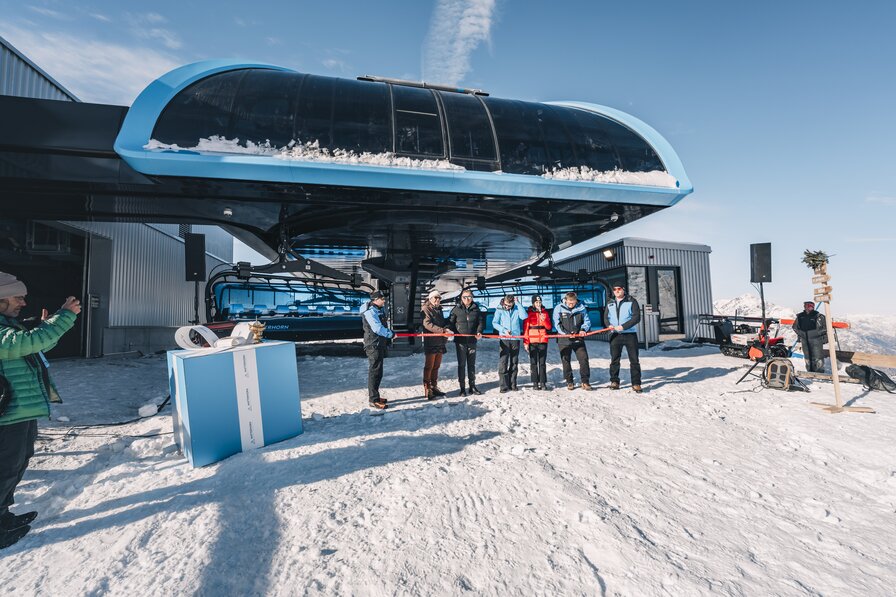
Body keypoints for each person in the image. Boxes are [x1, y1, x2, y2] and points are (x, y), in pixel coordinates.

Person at [0, 272, 80, 550]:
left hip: (18, 411)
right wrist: (63, 317)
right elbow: (27, 343)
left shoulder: (9, 326)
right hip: (6, 415)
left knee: (15, 465)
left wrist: (48, 328)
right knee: (4, 468)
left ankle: (3, 516)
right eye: (17, 297)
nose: (23, 303)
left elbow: (37, 346)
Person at [604, 284, 642, 393]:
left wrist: (623, 327)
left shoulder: (631, 301)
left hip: (630, 334)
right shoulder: (610, 302)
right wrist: (609, 325)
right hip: (615, 335)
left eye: (619, 289)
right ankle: (614, 381)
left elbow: (636, 317)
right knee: (614, 359)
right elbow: (606, 317)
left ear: (623, 290)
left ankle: (636, 383)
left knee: (634, 360)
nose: (617, 291)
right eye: (614, 289)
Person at [360, 290, 394, 409]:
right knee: (375, 372)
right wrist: (390, 334)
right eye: (382, 299)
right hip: (373, 345)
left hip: (378, 344)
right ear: (375, 300)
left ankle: (376, 396)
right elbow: (377, 328)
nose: (384, 301)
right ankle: (373, 400)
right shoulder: (370, 312)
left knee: (378, 372)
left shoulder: (378, 310)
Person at [553, 291, 592, 390]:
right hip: (564, 338)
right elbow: (557, 324)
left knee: (583, 359)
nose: (571, 305)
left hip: (578, 338)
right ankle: (569, 381)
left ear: (576, 301)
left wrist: (583, 329)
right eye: (569, 303)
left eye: (573, 303)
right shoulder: (558, 308)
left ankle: (585, 381)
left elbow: (587, 321)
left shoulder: (581, 308)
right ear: (565, 300)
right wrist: (565, 333)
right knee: (566, 360)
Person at [448, 289, 484, 396]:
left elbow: (480, 322)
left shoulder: (476, 309)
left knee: (471, 364)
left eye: (469, 297)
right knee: (462, 364)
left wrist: (479, 331)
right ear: (461, 298)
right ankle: (462, 388)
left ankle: (472, 386)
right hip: (461, 342)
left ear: (472, 298)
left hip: (472, 341)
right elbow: (450, 323)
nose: (467, 299)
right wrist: (448, 330)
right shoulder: (456, 309)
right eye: (465, 297)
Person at [420, 289, 453, 399]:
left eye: (439, 298)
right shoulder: (426, 309)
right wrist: (442, 331)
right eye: (435, 298)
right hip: (431, 342)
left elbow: (442, 323)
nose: (438, 300)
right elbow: (427, 324)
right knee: (429, 366)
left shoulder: (439, 310)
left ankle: (434, 386)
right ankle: (427, 388)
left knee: (436, 366)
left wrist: (446, 327)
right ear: (430, 299)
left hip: (440, 341)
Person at [492, 293, 527, 392]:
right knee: (503, 361)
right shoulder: (499, 308)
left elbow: (524, 316)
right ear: (504, 301)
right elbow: (494, 323)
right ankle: (503, 385)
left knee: (514, 362)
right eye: (506, 305)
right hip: (504, 338)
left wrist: (518, 304)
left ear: (513, 304)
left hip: (515, 338)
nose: (507, 307)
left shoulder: (516, 308)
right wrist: (503, 330)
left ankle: (513, 384)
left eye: (509, 305)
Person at [523, 295, 552, 390]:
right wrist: (526, 342)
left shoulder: (545, 312)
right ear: (533, 303)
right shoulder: (529, 313)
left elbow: (549, 327)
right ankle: (535, 382)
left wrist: (544, 320)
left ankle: (543, 382)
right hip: (532, 340)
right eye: (536, 302)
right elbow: (526, 328)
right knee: (533, 362)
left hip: (543, 339)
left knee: (542, 362)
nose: (538, 304)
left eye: (540, 302)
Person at [792, 301, 827, 372]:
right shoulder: (800, 316)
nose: (810, 307)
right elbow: (795, 327)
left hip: (816, 340)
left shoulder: (819, 316)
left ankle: (819, 372)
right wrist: (802, 334)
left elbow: (825, 328)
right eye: (808, 306)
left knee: (817, 357)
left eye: (811, 306)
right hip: (805, 339)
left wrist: (815, 333)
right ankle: (809, 371)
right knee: (807, 356)